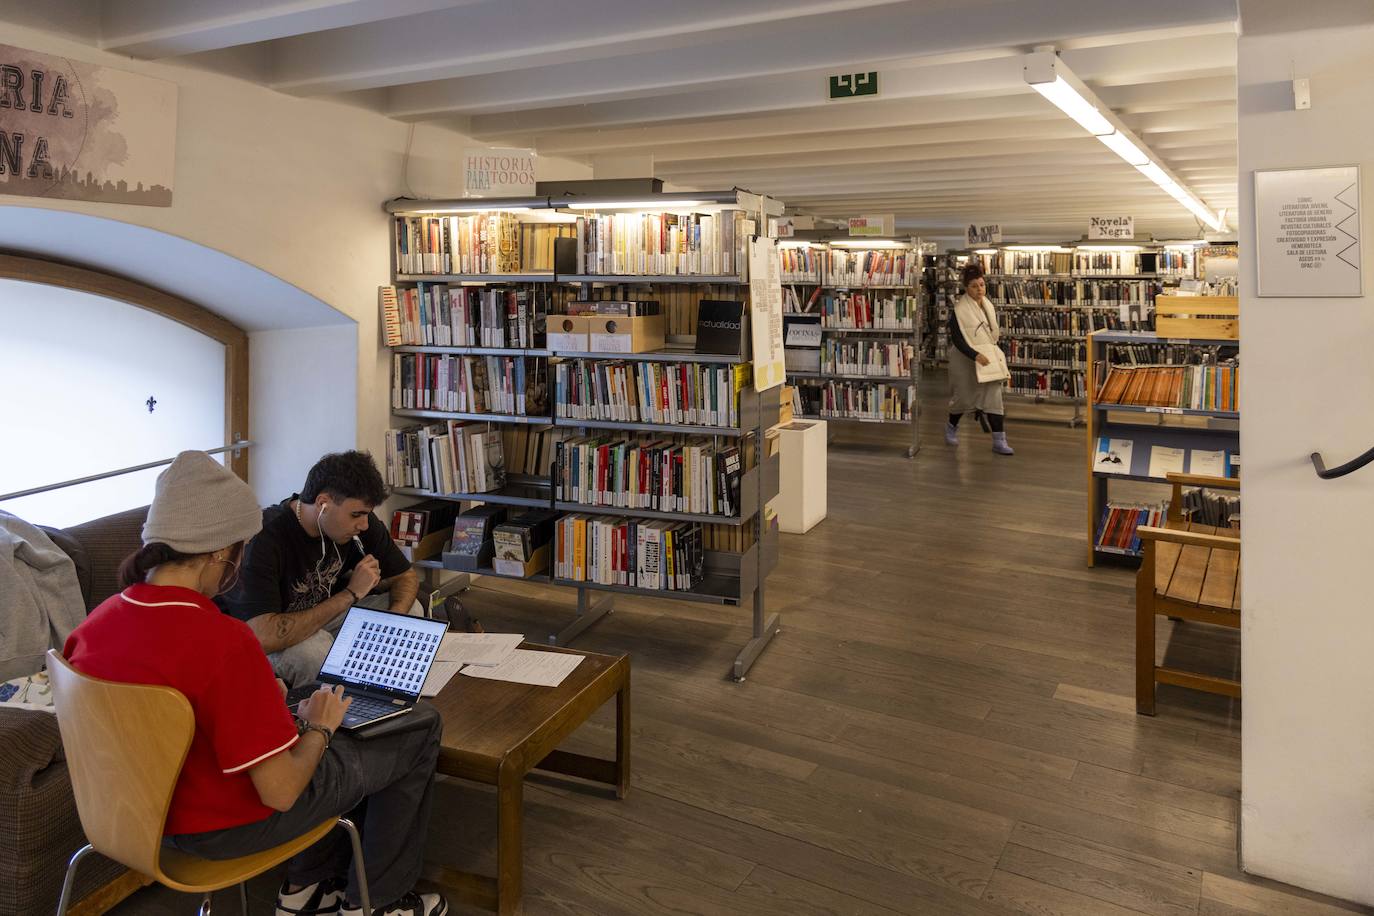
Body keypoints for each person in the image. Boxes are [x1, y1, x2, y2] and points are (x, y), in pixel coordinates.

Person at [63, 451, 448, 916]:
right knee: (417, 724)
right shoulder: (225, 643)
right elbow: (283, 791)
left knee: (309, 699)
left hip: (125, 821)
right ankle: (382, 904)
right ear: (221, 552)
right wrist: (320, 729)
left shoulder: (91, 628)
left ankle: (310, 889)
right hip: (223, 829)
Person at [218, 451, 420, 687]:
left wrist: (393, 622)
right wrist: (351, 593)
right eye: (356, 514)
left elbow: (406, 577)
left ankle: (374, 695)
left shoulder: (361, 523)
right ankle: (329, 717)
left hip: (325, 619)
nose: (364, 524)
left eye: (367, 514)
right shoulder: (263, 538)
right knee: (316, 653)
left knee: (411, 610)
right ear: (323, 503)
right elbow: (263, 636)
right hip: (268, 637)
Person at [946, 263, 1014, 455]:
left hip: (987, 358)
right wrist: (975, 355)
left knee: (993, 397)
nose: (979, 289)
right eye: (974, 286)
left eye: (982, 285)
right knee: (964, 398)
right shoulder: (959, 311)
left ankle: (999, 440)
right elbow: (958, 340)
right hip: (965, 360)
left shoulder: (988, 306)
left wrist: (985, 354)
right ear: (966, 288)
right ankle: (951, 427)